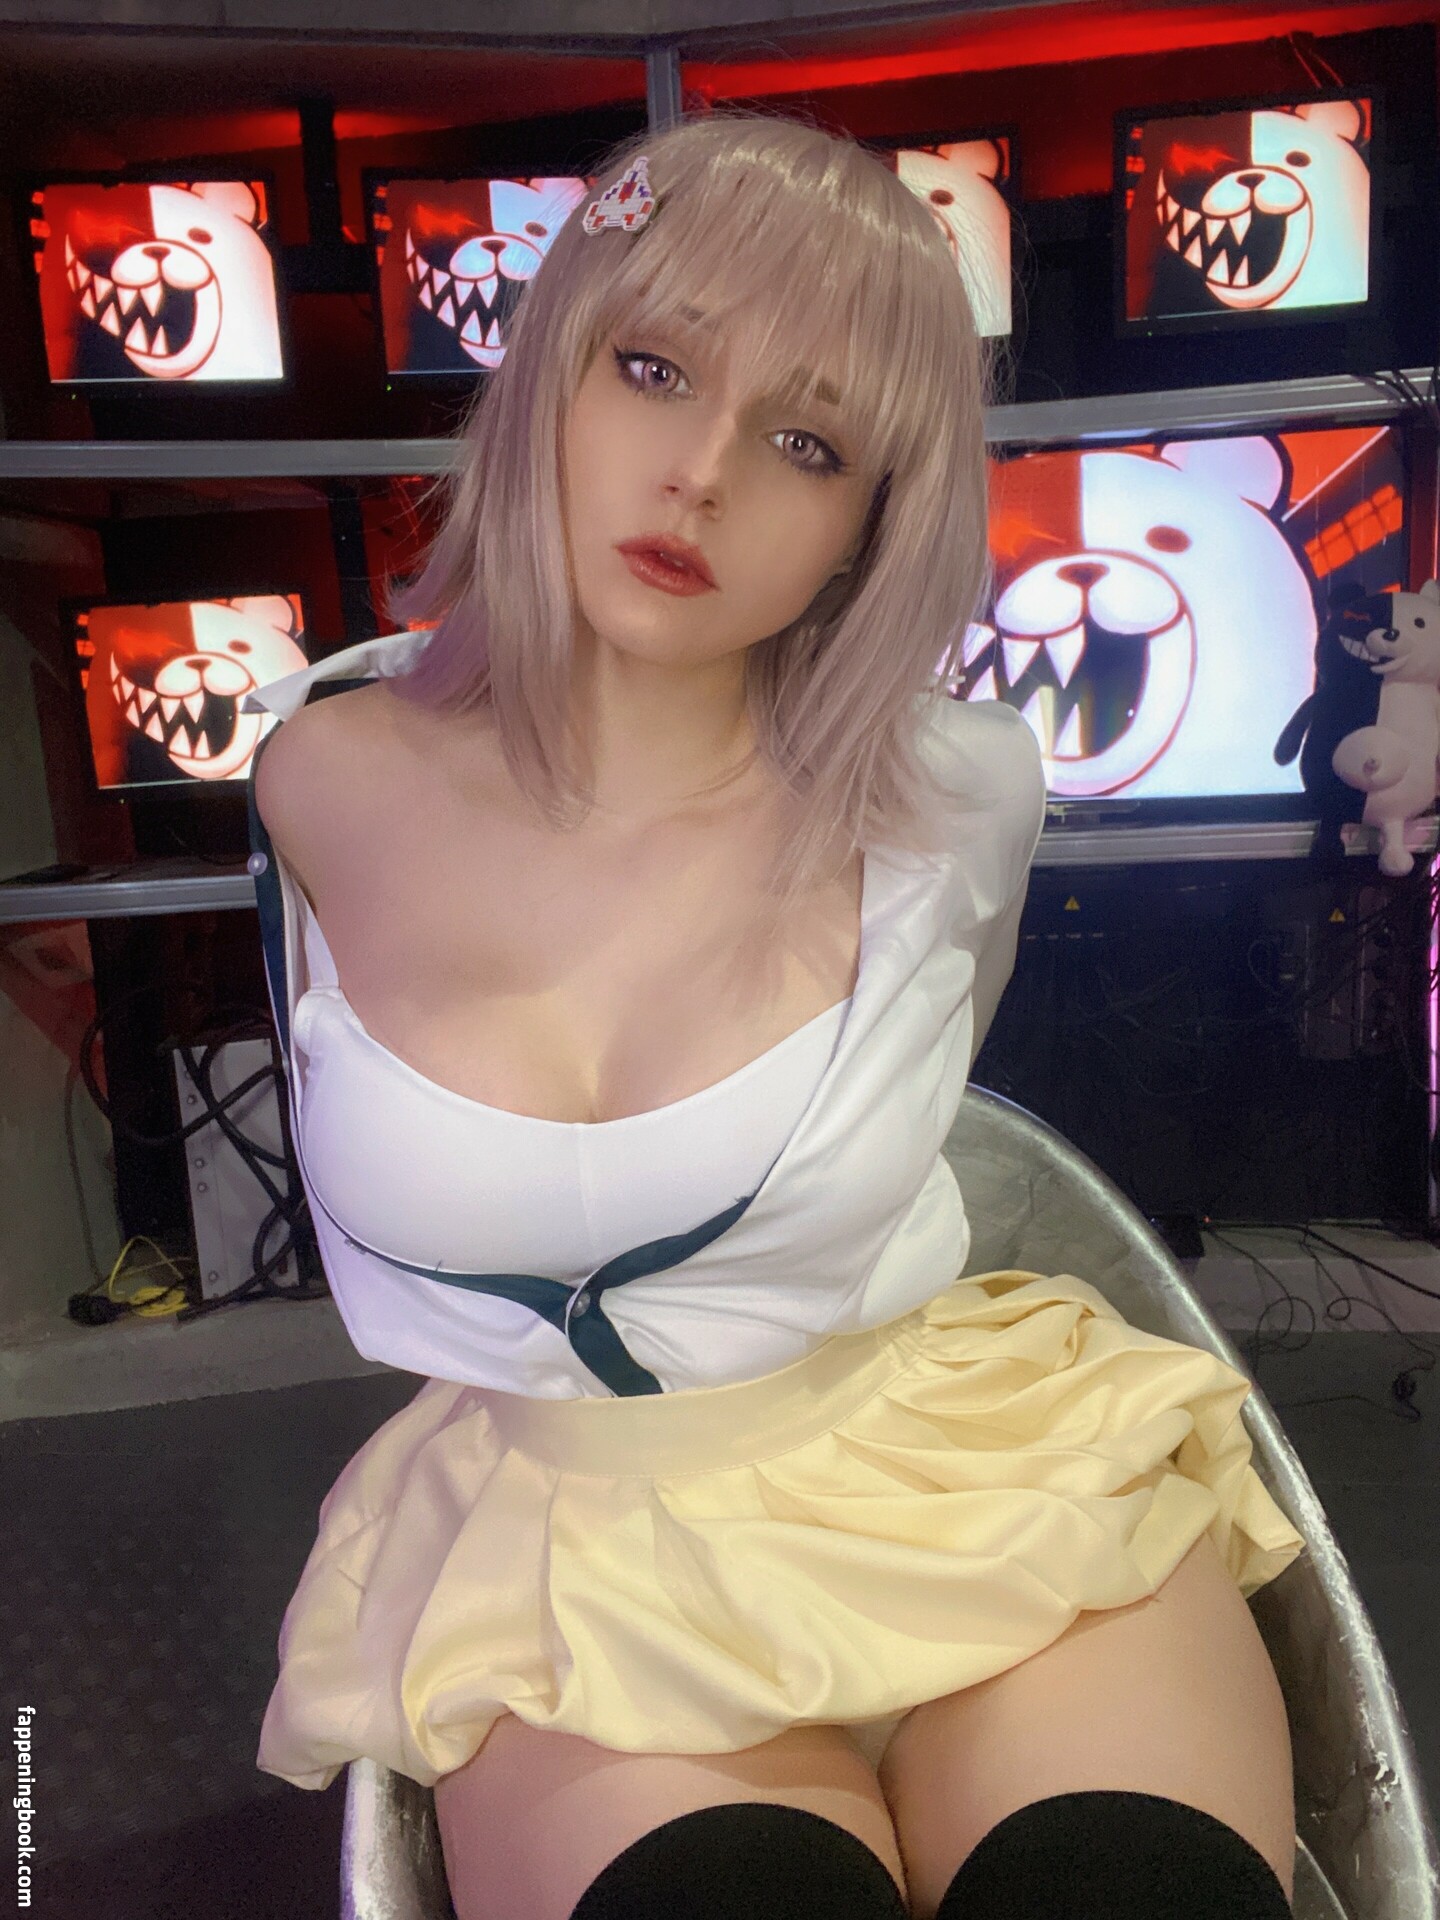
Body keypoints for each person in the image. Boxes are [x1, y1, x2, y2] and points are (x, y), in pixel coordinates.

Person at [244, 110, 1305, 1919]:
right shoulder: (316, 779)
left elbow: (933, 1061)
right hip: (578, 1556)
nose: (702, 474)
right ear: (550, 370)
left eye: (806, 442)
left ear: (870, 524)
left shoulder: (961, 792)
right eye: (655, 369)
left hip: (969, 1477)